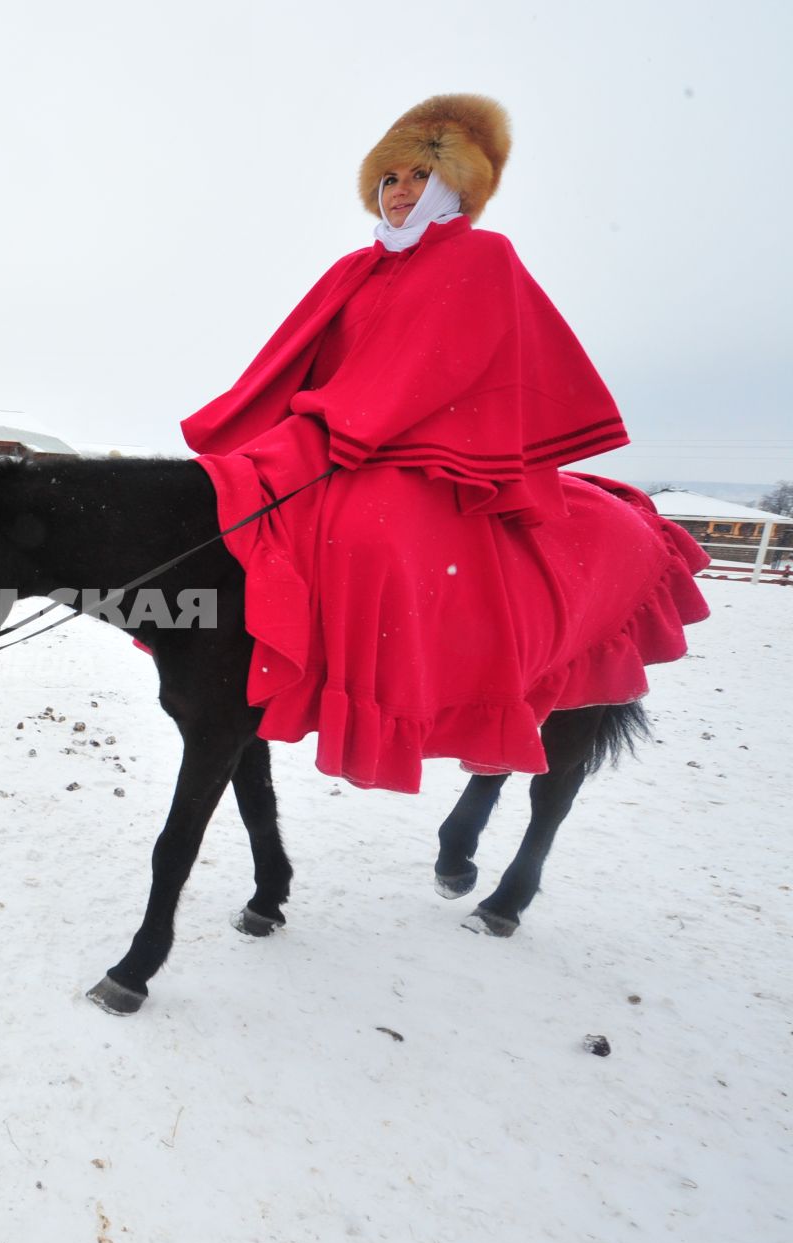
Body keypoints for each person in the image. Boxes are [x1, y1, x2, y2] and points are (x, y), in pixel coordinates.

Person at [179, 94, 706, 792]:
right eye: (389, 179)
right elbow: (298, 363)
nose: (399, 192)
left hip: (428, 450)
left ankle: (416, 700)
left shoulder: (483, 256)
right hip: (335, 433)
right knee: (234, 504)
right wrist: (296, 428)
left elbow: (444, 365)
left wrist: (351, 421)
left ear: (455, 187)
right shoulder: (353, 269)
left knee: (371, 538)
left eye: (417, 178)